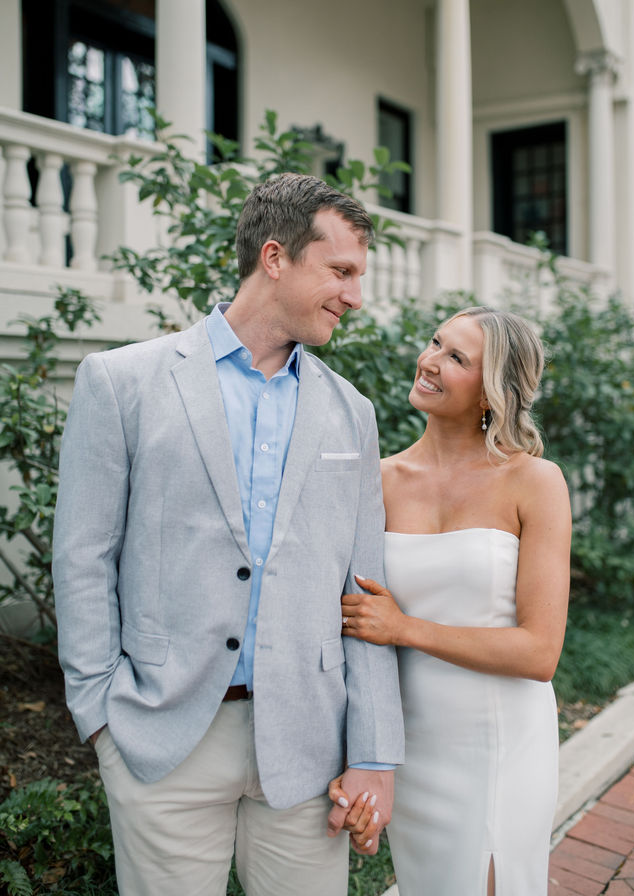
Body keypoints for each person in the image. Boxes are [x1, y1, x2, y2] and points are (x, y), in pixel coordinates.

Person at [52, 173, 404, 896]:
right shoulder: (121, 382)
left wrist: (374, 753)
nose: (355, 296)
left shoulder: (353, 413)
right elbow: (83, 557)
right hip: (161, 737)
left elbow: (364, 593)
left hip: (309, 745)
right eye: (341, 271)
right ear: (275, 257)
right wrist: (100, 715)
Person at [330, 306, 571, 895]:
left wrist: (405, 628)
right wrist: (364, 756)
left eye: (456, 357)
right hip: (412, 741)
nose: (430, 361)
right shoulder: (378, 481)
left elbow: (539, 653)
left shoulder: (534, 482)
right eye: (436, 342)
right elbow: (352, 622)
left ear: (491, 392)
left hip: (500, 741)